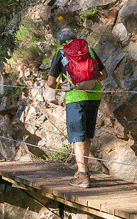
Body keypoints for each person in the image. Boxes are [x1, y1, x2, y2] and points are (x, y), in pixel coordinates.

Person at [45, 26, 107, 188]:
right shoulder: (90, 50)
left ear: (60, 40)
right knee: (86, 135)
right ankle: (82, 171)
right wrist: (90, 82)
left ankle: (83, 176)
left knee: (77, 136)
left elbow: (50, 82)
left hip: (75, 98)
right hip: (94, 96)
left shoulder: (61, 52)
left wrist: (66, 87)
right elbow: (105, 74)